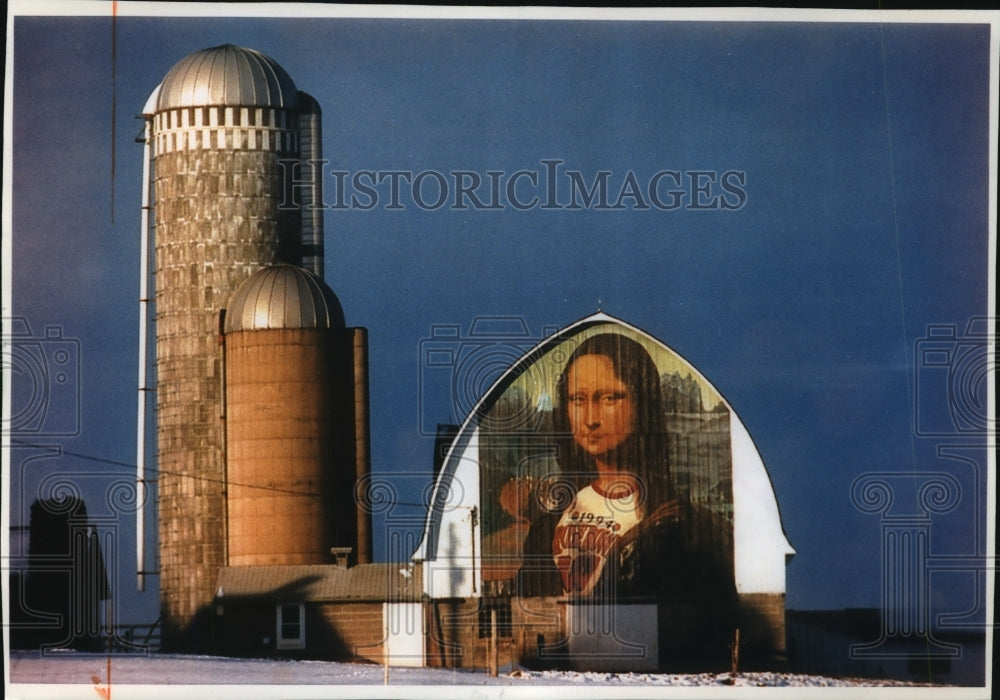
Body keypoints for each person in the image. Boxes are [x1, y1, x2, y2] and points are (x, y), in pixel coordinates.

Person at [518, 332, 737, 668]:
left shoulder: (685, 525)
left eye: (609, 398)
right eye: (578, 399)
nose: (591, 418)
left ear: (642, 404)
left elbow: (708, 628)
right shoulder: (545, 529)